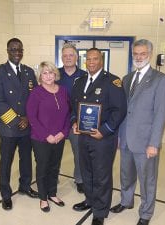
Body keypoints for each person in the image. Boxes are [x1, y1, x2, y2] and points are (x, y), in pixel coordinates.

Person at [110, 39, 165, 225]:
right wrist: (120, 137)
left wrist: (154, 143)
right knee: (126, 174)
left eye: (143, 54)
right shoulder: (127, 78)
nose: (139, 57)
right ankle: (126, 201)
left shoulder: (160, 80)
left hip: (146, 142)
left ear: (150, 55)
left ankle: (146, 213)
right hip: (127, 138)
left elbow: (161, 114)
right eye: (135, 54)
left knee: (147, 179)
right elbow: (123, 111)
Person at [71, 48, 127, 225]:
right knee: (86, 171)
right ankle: (89, 200)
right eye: (88, 59)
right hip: (84, 136)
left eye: (95, 59)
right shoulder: (79, 82)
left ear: (101, 61)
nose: (91, 62)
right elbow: (74, 106)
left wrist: (105, 129)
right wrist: (75, 122)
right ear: (85, 61)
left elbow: (120, 110)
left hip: (103, 138)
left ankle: (100, 212)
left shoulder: (112, 81)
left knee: (102, 175)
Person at [0, 38, 38, 211]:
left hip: (27, 127)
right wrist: (19, 120)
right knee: (6, 162)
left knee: (26, 159)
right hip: (9, 127)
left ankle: (25, 186)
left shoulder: (29, 72)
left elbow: (35, 99)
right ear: (7, 51)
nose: (17, 53)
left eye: (20, 50)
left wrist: (28, 118)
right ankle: (5, 194)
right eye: (13, 50)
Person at [26, 61, 70, 212]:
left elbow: (68, 114)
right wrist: (47, 135)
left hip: (59, 137)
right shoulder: (36, 93)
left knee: (54, 166)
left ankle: (52, 193)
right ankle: (43, 198)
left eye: (51, 72)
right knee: (43, 167)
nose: (48, 75)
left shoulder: (63, 90)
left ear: (55, 74)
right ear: (40, 76)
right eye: (45, 73)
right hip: (41, 138)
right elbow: (32, 117)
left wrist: (63, 132)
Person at [57, 43, 87, 193]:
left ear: (76, 57)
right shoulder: (55, 75)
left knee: (79, 151)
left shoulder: (84, 76)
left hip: (76, 122)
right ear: (61, 57)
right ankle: (53, 175)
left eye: (71, 55)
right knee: (54, 151)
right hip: (57, 122)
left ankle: (80, 179)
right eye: (65, 55)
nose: (68, 58)